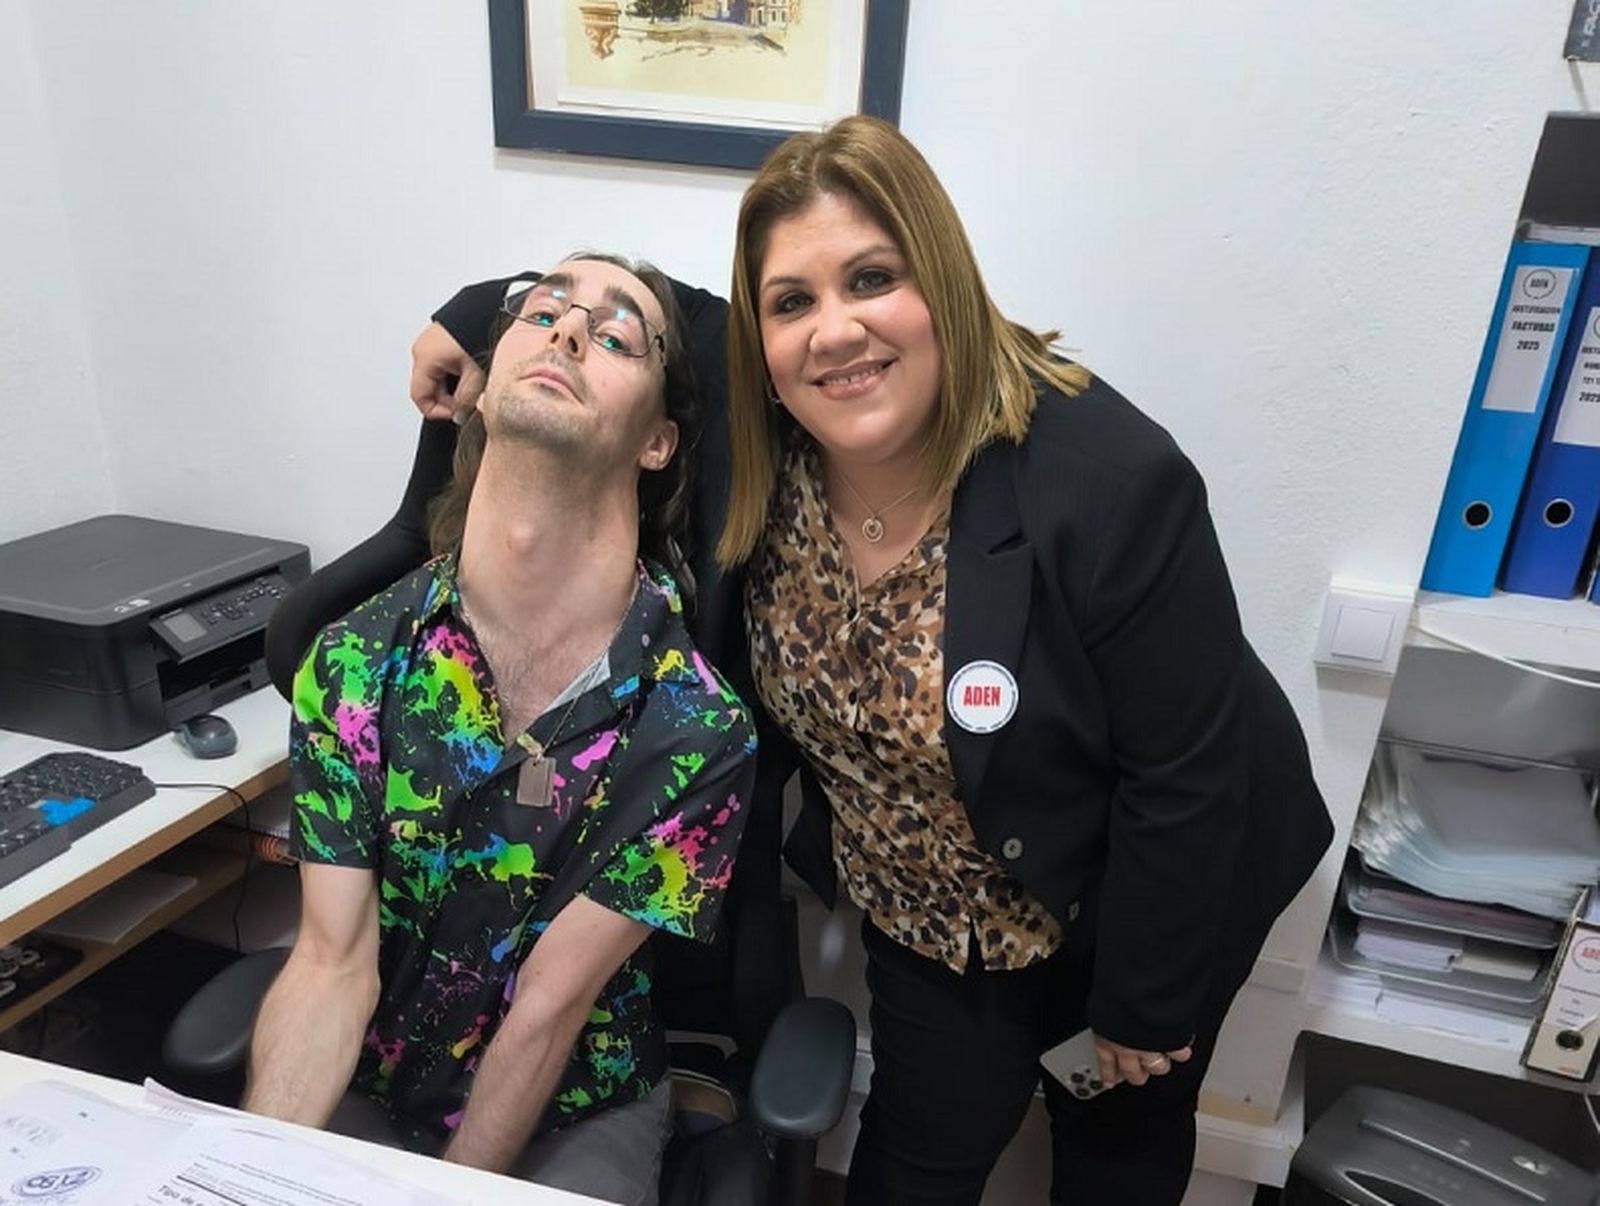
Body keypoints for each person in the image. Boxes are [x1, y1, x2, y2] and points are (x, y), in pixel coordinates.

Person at [343, 119, 1332, 1204]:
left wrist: (1145, 1004)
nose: (836, 331)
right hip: (918, 898)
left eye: (873, 279)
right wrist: (479, 309)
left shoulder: (1107, 480)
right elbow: (632, 310)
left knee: (1113, 1144)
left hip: (1142, 880)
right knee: (915, 1155)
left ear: (943, 282)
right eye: (793, 302)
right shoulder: (759, 434)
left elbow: (1182, 781)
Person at [244, 253, 758, 1206]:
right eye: (542, 313)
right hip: (373, 1083)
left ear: (656, 441)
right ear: (479, 394)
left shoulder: (696, 728)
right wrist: (252, 1171)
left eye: (614, 336)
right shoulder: (356, 661)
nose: (567, 331)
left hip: (572, 1107)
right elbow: (330, 961)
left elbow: (546, 1015)